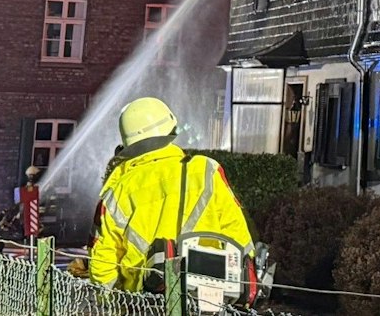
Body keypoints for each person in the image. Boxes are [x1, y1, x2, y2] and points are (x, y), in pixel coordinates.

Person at [88, 97, 255, 292]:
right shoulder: (206, 170)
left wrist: (110, 303)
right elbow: (235, 229)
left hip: (144, 303)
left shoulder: (117, 190)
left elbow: (103, 259)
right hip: (206, 298)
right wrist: (246, 280)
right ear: (170, 130)